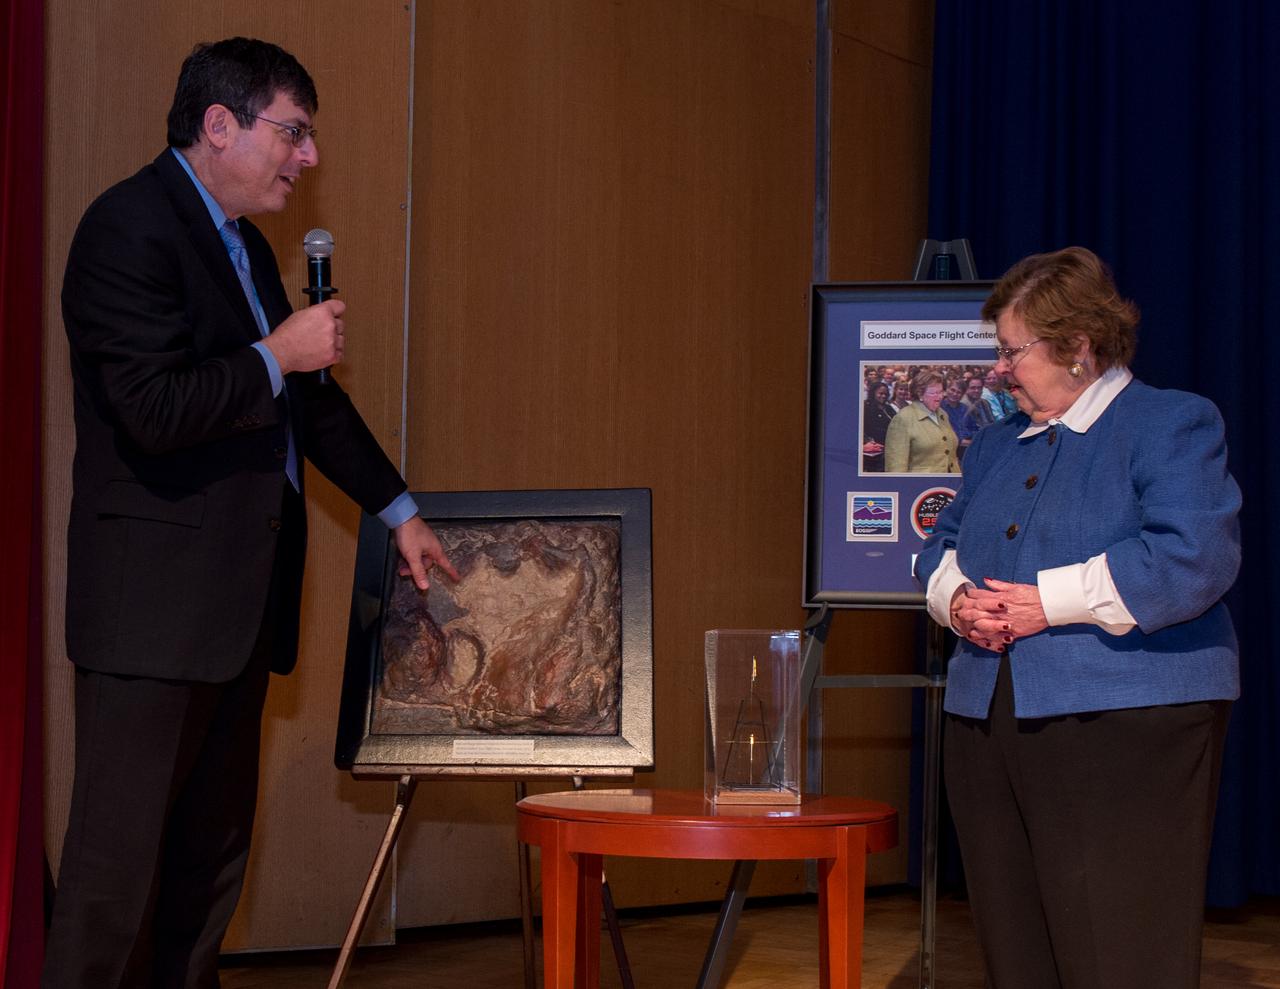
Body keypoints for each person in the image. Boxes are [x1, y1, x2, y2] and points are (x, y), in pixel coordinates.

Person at [44, 38, 460, 988]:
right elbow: (153, 411)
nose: (308, 156)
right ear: (219, 124)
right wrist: (277, 353)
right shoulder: (127, 228)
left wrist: (398, 509)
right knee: (115, 879)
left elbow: (309, 404)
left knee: (208, 867)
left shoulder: (249, 249)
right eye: (294, 132)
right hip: (151, 618)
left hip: (237, 608)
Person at [915, 247, 1240, 988]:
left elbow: (1193, 556)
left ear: (1078, 347)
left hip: (1127, 723)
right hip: (986, 717)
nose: (998, 369)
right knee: (1014, 941)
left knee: (1118, 949)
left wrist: (1047, 602)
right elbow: (938, 547)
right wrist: (957, 601)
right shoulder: (996, 443)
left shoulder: (1170, 421)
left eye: (1011, 351)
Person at [883, 370, 960, 473]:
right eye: (934, 393)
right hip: (921, 482)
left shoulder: (943, 414)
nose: (940, 396)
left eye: (941, 392)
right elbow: (895, 467)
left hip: (950, 481)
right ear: (920, 394)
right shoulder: (903, 418)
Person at [861, 380, 897, 472]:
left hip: (889, 448)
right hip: (874, 450)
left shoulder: (888, 408)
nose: (883, 396)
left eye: (885, 394)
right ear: (873, 393)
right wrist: (867, 442)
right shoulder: (865, 407)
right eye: (880, 393)